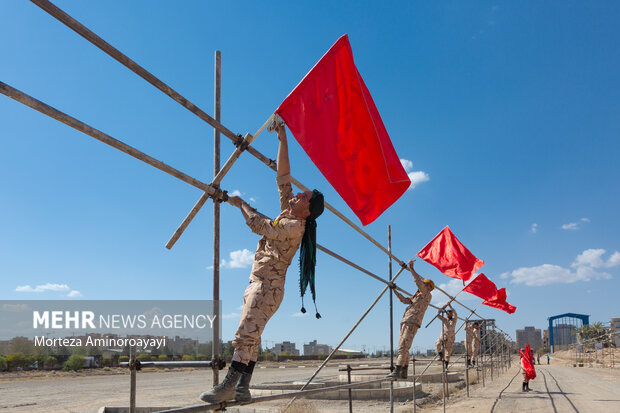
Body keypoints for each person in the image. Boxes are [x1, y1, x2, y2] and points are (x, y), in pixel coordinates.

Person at [200, 121, 324, 404]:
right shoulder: (288, 213)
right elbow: (283, 177)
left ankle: (228, 387)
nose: (296, 194)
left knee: (245, 335)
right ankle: (243, 389)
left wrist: (240, 202)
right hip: (261, 283)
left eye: (302, 197)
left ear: (306, 211)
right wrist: (283, 138)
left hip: (267, 287)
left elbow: (258, 224)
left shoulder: (295, 227)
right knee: (252, 337)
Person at [386, 260, 434, 380]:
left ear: (428, 287)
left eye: (426, 285)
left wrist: (411, 268)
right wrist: (394, 290)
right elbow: (404, 300)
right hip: (407, 321)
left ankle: (397, 370)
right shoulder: (417, 297)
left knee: (403, 347)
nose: (424, 285)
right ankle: (404, 371)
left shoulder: (427, 295)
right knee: (403, 347)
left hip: (412, 321)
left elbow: (418, 282)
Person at [435, 303, 458, 370]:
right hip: (443, 336)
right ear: (446, 314)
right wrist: (443, 307)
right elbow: (437, 314)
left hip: (450, 338)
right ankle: (440, 356)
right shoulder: (444, 319)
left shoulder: (454, 320)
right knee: (437, 344)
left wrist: (450, 306)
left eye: (451, 314)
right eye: (448, 313)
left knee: (447, 354)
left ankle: (446, 366)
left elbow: (456, 314)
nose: (449, 315)